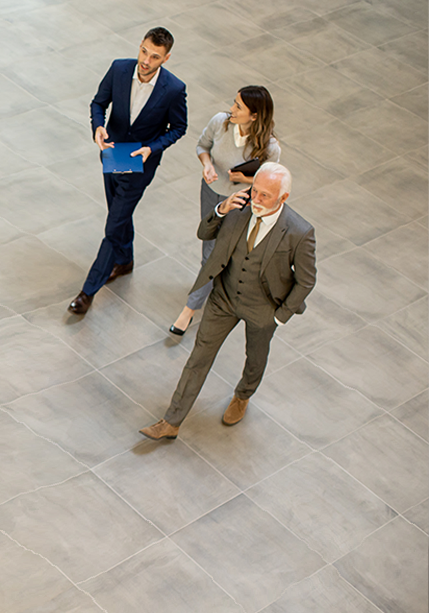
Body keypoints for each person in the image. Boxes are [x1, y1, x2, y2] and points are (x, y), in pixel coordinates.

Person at [141, 163, 315, 440]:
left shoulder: (299, 232)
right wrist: (221, 210)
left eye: (264, 196)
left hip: (264, 308)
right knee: (198, 358)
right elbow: (204, 233)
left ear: (283, 198)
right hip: (223, 298)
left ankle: (243, 395)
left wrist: (279, 316)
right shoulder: (237, 207)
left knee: (255, 358)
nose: (255, 200)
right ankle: (171, 421)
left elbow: (306, 280)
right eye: (254, 191)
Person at [69, 27, 188, 315]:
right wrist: (98, 127)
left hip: (140, 164)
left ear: (166, 58)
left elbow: (179, 128)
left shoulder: (173, 89)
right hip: (112, 155)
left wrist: (152, 148)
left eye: (155, 56)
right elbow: (99, 103)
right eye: (144, 51)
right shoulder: (119, 69)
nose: (146, 60)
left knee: (113, 224)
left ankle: (88, 291)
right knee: (118, 212)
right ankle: (125, 260)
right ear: (140, 46)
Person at [170, 86, 281, 336]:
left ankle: (190, 308)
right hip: (211, 193)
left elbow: (270, 182)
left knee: (214, 254)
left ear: (254, 116)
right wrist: (207, 165)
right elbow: (202, 146)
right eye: (234, 103)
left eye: (239, 107)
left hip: (240, 202)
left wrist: (246, 179)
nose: (232, 109)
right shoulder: (220, 123)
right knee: (209, 243)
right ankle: (213, 287)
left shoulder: (270, 147)